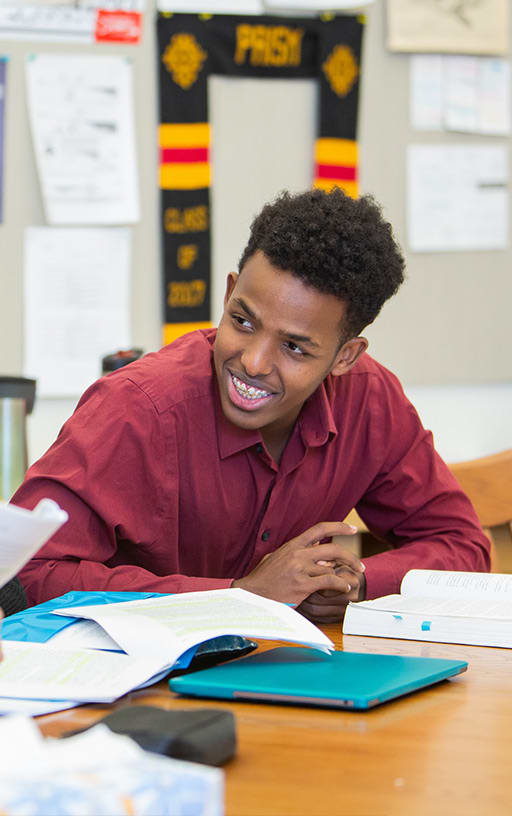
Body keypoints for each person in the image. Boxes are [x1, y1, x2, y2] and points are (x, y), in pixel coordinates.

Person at [11, 189, 490, 622]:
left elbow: (463, 546)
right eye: (242, 320)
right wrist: (238, 597)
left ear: (345, 356)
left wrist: (358, 580)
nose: (253, 362)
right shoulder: (137, 408)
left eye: (295, 348)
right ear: (228, 293)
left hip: (286, 677)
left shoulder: (370, 402)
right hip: (131, 689)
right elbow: (22, 576)